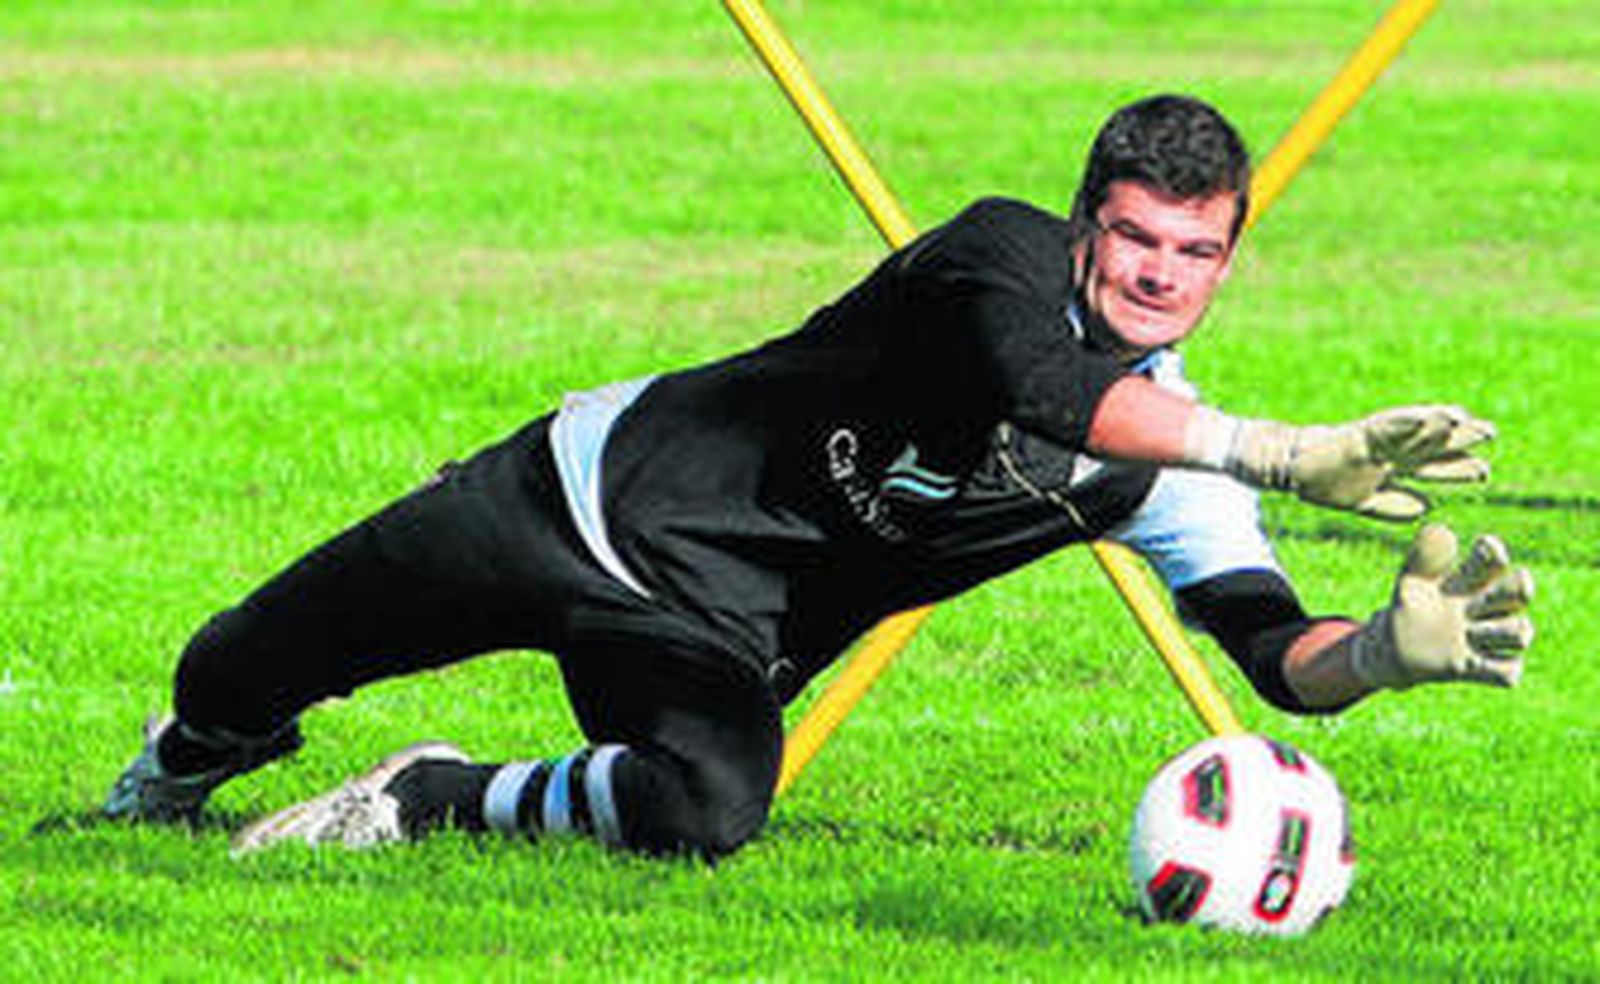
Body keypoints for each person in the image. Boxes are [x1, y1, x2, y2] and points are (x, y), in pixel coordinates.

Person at [104, 94, 1534, 859]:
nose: (1161, 275)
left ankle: (431, 802)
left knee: (712, 810)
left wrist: (1385, 660)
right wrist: (1285, 451)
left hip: (705, 636)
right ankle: (191, 765)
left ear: (1230, 259)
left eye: (1197, 251)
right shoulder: (995, 256)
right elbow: (1052, 393)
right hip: (576, 498)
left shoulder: (1164, 467)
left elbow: (1278, 657)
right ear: (1088, 222)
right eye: (1137, 237)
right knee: (229, 665)